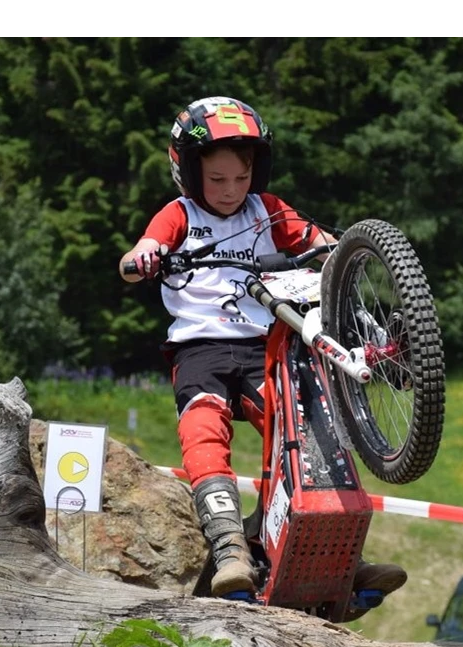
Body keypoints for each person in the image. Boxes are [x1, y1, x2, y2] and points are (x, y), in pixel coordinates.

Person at [119, 96, 407, 600]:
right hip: (199, 349)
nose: (231, 190)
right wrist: (145, 255)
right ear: (187, 172)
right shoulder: (178, 214)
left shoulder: (267, 209)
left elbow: (316, 241)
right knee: (204, 435)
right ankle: (230, 548)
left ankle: (342, 556)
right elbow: (141, 250)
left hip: (264, 344)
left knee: (309, 434)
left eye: (240, 178)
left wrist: (339, 250)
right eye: (217, 179)